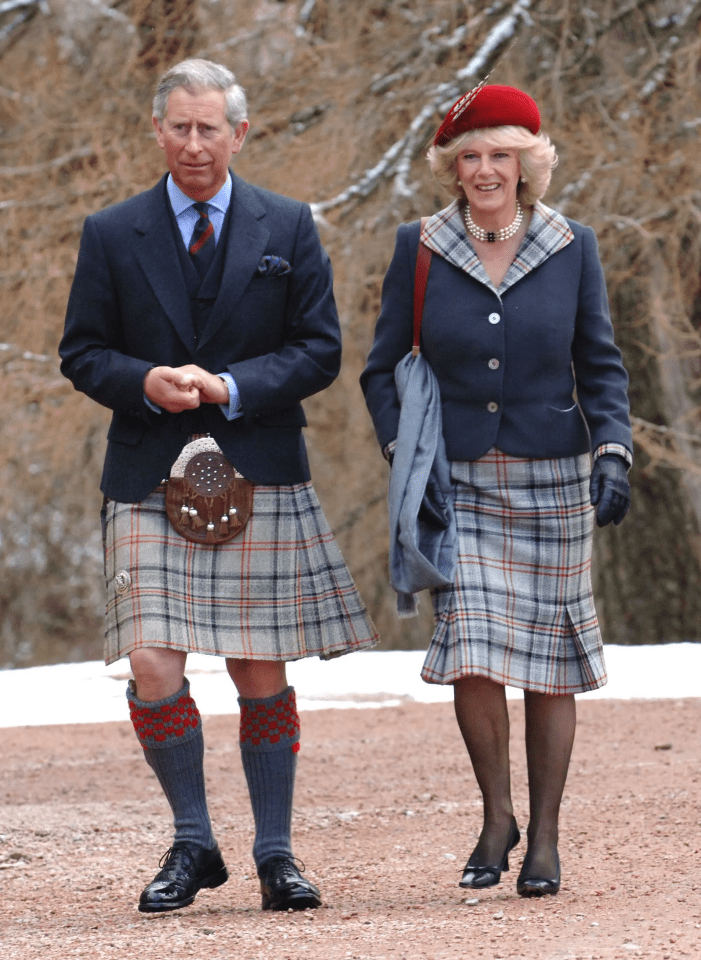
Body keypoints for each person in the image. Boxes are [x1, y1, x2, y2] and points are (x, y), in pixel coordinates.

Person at [59, 58, 377, 914]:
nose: (195, 144)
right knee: (153, 661)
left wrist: (233, 387)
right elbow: (82, 351)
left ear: (240, 133)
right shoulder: (110, 230)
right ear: (157, 131)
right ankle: (193, 840)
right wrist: (143, 380)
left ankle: (275, 853)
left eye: (211, 128)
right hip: (145, 472)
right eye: (180, 127)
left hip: (260, 462)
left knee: (256, 667)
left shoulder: (288, 224)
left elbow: (319, 349)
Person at [360, 84, 632, 898]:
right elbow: (380, 368)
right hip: (459, 481)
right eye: (469, 156)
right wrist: (404, 452)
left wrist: (611, 448)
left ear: (526, 164)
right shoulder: (418, 246)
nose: (484, 169)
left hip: (552, 475)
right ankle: (496, 815)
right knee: (471, 653)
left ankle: (544, 838)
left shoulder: (571, 245)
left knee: (550, 667)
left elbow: (602, 363)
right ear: (453, 167)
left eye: (499, 154)